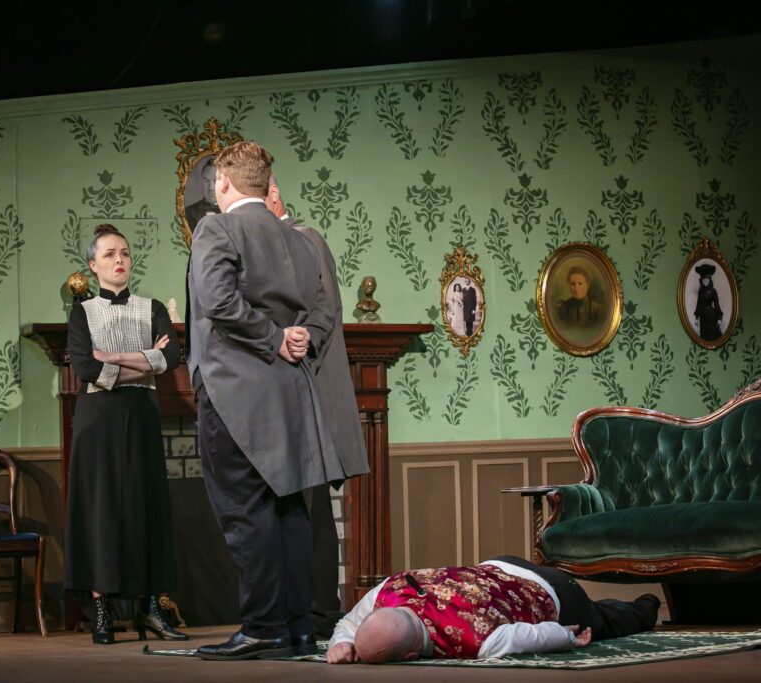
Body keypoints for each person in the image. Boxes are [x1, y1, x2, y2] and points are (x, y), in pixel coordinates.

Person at [187, 141, 338, 661]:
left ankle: (262, 627)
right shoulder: (297, 237)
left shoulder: (218, 227)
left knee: (245, 510)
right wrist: (295, 336)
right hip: (291, 389)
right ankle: (298, 628)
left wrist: (274, 336)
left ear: (224, 183)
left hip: (236, 393)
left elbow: (218, 300)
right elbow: (320, 308)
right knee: (290, 509)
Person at [65, 224, 188, 645]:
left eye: (125, 253)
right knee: (101, 510)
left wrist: (114, 357)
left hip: (140, 415)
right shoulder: (82, 312)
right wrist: (143, 362)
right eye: (110, 254)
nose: (120, 260)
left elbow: (173, 355)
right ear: (93, 264)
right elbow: (84, 367)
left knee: (146, 506)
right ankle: (101, 610)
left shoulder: (151, 307)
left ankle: (152, 607)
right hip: (97, 420)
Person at [265, 174, 369, 639]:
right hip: (279, 398)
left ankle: (320, 616)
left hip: (309, 392)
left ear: (271, 195)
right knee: (291, 511)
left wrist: (300, 342)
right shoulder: (261, 249)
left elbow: (325, 306)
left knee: (312, 511)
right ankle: (296, 615)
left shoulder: (305, 239)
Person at [326, 555, 660, 664]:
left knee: (605, 621)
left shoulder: (476, 639)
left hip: (551, 590)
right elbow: (348, 623)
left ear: (412, 655)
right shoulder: (388, 590)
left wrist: (567, 638)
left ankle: (647, 605)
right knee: (601, 613)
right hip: (500, 565)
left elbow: (528, 637)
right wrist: (341, 641)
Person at [183, 158, 220, 234]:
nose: (211, 187)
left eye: (215, 180)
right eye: (206, 181)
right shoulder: (189, 212)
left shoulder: (234, 212)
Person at [693, 263, 723, 341]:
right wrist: (696, 317)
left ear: (710, 279)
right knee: (704, 336)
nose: (705, 281)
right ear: (701, 280)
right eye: (703, 279)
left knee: (712, 335)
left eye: (707, 279)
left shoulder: (713, 291)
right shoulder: (700, 291)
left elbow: (717, 305)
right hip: (703, 318)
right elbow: (698, 304)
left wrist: (719, 318)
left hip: (711, 316)